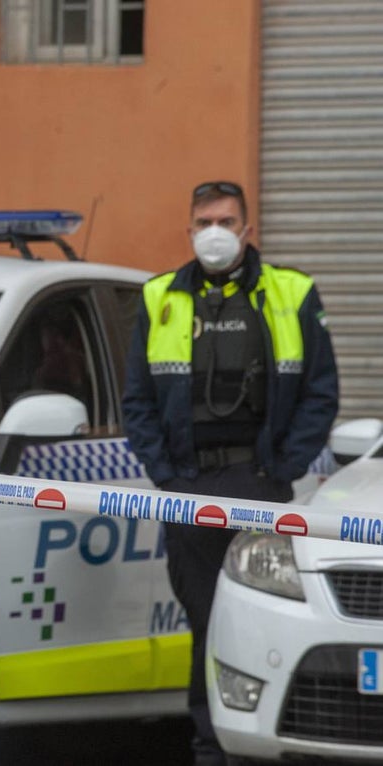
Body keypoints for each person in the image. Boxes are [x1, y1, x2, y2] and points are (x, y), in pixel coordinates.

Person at [122, 180, 338, 766]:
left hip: (258, 485)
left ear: (247, 229)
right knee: (206, 623)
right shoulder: (158, 296)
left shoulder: (292, 292)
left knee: (262, 615)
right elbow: (136, 401)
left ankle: (264, 743)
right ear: (188, 230)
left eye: (224, 221)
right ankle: (210, 745)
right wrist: (167, 479)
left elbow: (321, 393)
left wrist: (282, 470)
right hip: (187, 490)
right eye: (202, 222)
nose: (212, 232)